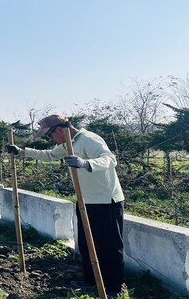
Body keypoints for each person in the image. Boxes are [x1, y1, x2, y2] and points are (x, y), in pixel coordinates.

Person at [7, 113, 125, 294]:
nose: (50, 139)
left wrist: (85, 163)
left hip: (105, 201)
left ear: (60, 130)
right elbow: (49, 155)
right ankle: (91, 281)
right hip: (86, 200)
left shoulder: (88, 139)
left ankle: (113, 288)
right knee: (86, 244)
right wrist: (22, 151)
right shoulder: (67, 144)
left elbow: (110, 159)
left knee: (108, 245)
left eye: (49, 135)